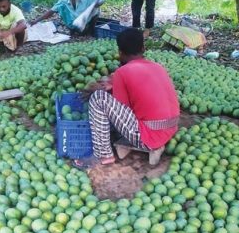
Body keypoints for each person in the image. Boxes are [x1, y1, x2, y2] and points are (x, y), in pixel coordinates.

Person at [75, 28, 180, 168]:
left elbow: (124, 109)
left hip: (149, 137)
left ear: (120, 52)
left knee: (99, 98)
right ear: (143, 48)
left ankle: (103, 155)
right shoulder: (158, 67)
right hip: (170, 128)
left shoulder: (122, 72)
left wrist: (105, 89)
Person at [30, 0, 105, 36]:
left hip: (86, 20)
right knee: (61, 8)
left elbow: (101, 0)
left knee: (96, 9)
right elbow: (51, 11)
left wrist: (96, 4)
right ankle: (73, 30)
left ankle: (90, 31)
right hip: (75, 21)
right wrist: (36, 21)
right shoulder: (64, 0)